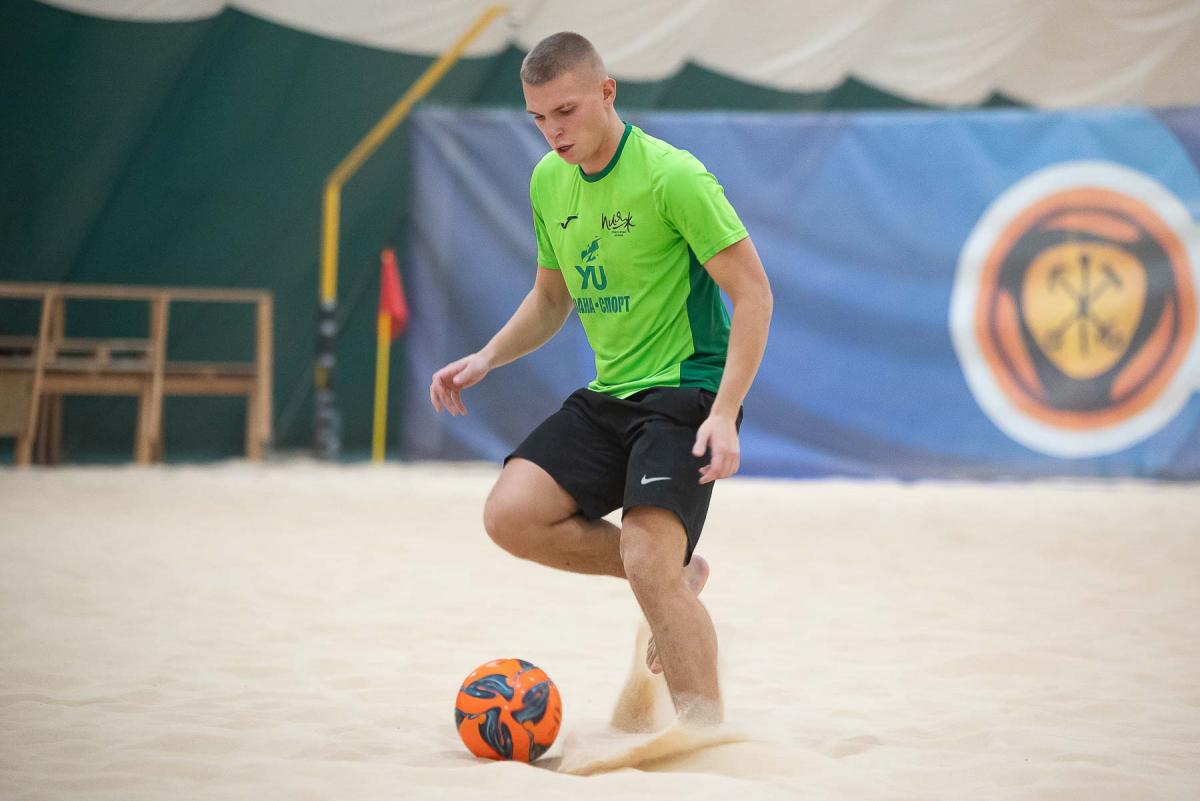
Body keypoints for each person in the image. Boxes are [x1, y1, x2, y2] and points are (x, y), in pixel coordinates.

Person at [429, 31, 772, 725]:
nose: (553, 131)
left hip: (685, 392)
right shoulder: (548, 181)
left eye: (566, 110)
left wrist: (724, 412)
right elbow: (551, 298)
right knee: (509, 516)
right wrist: (487, 356)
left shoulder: (673, 176)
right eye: (539, 118)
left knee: (648, 563)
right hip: (611, 392)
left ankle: (703, 737)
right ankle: (675, 574)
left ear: (607, 92)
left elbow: (754, 295)